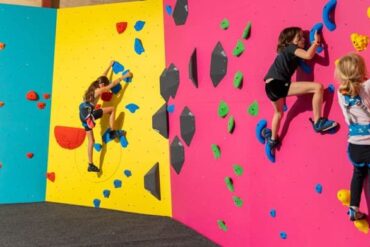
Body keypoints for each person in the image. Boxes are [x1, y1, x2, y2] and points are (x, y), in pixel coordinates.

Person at [263, 26, 337, 149]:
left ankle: (273, 140)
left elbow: (303, 57)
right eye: (300, 37)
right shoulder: (291, 48)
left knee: (278, 113)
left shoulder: (288, 53)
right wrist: (316, 42)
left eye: (303, 36)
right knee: (318, 87)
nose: (303, 39)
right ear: (291, 41)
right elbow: (308, 55)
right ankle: (318, 122)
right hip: (278, 84)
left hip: (269, 86)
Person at [79, 61, 133, 172]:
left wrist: (109, 65)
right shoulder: (99, 89)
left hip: (82, 114)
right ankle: (112, 131)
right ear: (101, 85)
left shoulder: (93, 87)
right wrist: (125, 76)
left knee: (91, 141)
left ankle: (90, 164)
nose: (106, 88)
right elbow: (112, 84)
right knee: (112, 109)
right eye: (104, 86)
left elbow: (103, 75)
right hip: (89, 113)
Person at [336, 53, 369, 221]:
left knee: (358, 174)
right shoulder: (367, 87)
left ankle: (354, 208)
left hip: (355, 146)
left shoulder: (340, 93)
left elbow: (346, 118)